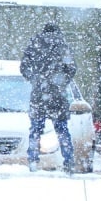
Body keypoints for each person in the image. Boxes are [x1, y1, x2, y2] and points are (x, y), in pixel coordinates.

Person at [20, 23, 76, 173]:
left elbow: (24, 67)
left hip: (39, 94)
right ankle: (69, 160)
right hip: (58, 95)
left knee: (36, 129)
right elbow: (72, 68)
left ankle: (33, 159)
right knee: (62, 129)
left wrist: (35, 79)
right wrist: (61, 81)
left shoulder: (34, 43)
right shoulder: (63, 46)